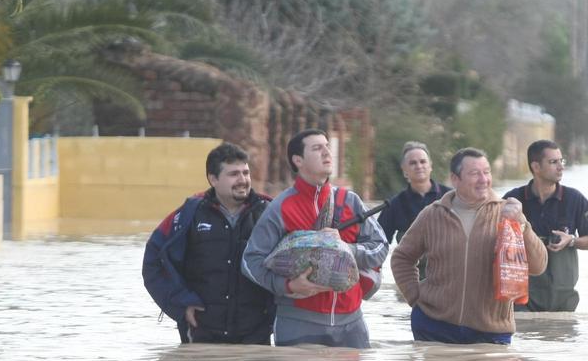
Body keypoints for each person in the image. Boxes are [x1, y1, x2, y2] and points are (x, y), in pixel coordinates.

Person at [241, 128, 388, 348]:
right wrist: (289, 286)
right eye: (317, 148)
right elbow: (250, 261)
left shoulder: (350, 201)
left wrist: (347, 249)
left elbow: (382, 247)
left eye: (328, 146)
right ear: (298, 160)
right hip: (298, 323)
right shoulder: (280, 207)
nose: (327, 152)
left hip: (352, 324)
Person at [390, 147, 548, 345]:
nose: (484, 179)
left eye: (487, 172)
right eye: (474, 173)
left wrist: (522, 225)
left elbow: (538, 266)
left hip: (491, 331)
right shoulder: (432, 214)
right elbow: (402, 258)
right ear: (455, 179)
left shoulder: (507, 213)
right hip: (434, 326)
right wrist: (415, 298)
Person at [142, 142, 275, 344]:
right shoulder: (188, 215)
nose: (243, 180)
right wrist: (180, 305)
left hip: (256, 336)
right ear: (213, 179)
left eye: (245, 172)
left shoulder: (269, 213)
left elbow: (293, 263)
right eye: (234, 174)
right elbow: (153, 262)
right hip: (200, 334)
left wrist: (274, 314)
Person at [504, 139, 588, 312]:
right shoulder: (513, 200)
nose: (561, 167)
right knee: (526, 339)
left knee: (564, 337)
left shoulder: (575, 199)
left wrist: (571, 241)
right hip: (522, 300)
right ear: (536, 167)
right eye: (553, 162)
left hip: (564, 301)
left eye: (561, 161)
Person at [378, 141, 452, 245]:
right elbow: (378, 243)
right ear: (404, 169)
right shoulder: (394, 205)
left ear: (430, 165)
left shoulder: (452, 197)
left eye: (423, 162)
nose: (419, 166)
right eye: (413, 163)